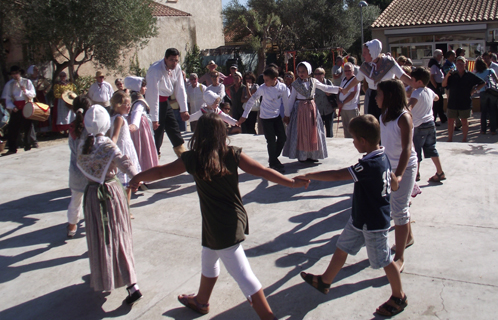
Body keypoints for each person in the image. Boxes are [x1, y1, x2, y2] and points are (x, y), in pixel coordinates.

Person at [128, 112, 309, 319]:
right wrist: (292, 183)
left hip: (221, 226)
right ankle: (201, 301)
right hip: (228, 219)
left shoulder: (192, 158)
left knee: (244, 277)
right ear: (221, 134)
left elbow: (161, 172)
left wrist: (138, 177)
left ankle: (268, 317)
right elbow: (262, 171)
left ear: (198, 135)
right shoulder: (232, 154)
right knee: (209, 256)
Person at [297, 114, 407, 317]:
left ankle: (399, 296)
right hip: (359, 219)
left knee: (384, 260)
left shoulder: (367, 166)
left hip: (374, 223)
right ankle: (325, 281)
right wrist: (393, 185)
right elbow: (392, 181)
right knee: (342, 248)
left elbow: (339, 175)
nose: (354, 142)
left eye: (354, 139)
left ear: (363, 141)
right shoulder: (382, 156)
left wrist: (310, 175)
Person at [77, 104, 142, 305]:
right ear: (106, 123)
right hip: (111, 193)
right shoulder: (107, 145)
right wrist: (138, 178)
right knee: (119, 234)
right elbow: (125, 164)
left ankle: (103, 276)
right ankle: (132, 284)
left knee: (100, 237)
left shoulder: (82, 145)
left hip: (91, 196)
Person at [377, 79, 418, 272]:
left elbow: (406, 149)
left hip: (405, 168)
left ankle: (400, 257)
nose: (376, 98)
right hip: (388, 167)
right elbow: (382, 142)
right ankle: (408, 237)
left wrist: (399, 175)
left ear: (390, 96)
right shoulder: (383, 114)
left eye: (379, 94)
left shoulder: (404, 117)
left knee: (399, 210)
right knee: (397, 208)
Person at [341, 39, 415, 120]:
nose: (362, 55)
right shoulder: (365, 66)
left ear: (373, 52)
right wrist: (346, 89)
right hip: (373, 98)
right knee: (373, 123)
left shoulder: (389, 62)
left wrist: (415, 85)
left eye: (365, 53)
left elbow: (403, 76)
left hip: (388, 97)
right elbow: (356, 80)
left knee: (389, 121)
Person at [283, 62, 339, 163]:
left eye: (303, 71)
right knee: (302, 132)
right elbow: (291, 100)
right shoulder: (295, 85)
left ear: (308, 71)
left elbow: (325, 87)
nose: (301, 73)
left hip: (311, 109)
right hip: (300, 110)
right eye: (299, 71)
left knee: (313, 131)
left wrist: (338, 89)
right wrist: (287, 114)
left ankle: (313, 155)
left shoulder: (313, 82)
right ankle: (303, 155)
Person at [237, 67, 289, 173]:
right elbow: (251, 100)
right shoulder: (262, 88)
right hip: (265, 118)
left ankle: (273, 157)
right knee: (271, 141)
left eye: (267, 80)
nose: (264, 82)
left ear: (275, 79)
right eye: (264, 80)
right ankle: (274, 163)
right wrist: (244, 115)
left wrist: (287, 115)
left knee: (282, 138)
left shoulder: (283, 87)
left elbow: (287, 102)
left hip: (277, 116)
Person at [145, 48, 189, 158]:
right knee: (157, 133)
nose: (174, 63)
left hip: (166, 102)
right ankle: (154, 158)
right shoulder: (155, 70)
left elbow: (180, 88)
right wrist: (154, 118)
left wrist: (184, 109)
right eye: (171, 60)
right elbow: (152, 94)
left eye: (176, 60)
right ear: (165, 59)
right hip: (155, 104)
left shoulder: (177, 68)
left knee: (174, 128)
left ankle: (183, 155)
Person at [408, 68, 446, 182]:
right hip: (430, 124)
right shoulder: (429, 91)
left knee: (416, 150)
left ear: (419, 82)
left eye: (412, 80)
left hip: (419, 126)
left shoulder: (416, 93)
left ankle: (416, 174)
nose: (411, 82)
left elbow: (410, 105)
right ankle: (440, 172)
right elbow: (437, 98)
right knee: (431, 148)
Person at [442, 56, 485, 142]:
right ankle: (450, 139)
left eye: (462, 63)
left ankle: (464, 139)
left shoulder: (469, 75)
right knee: (450, 121)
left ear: (465, 64)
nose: (460, 65)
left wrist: (474, 90)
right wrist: (447, 76)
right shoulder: (452, 75)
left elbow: (482, 82)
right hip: (452, 101)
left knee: (464, 121)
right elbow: (443, 85)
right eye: (458, 63)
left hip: (465, 102)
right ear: (456, 64)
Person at [66, 95, 92, 237]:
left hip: (75, 169)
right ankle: (92, 224)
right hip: (89, 170)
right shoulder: (90, 126)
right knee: (91, 200)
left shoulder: (72, 125)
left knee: (75, 199)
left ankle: (71, 227)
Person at [110, 91, 141, 202]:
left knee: (126, 183)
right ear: (118, 105)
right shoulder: (119, 119)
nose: (129, 107)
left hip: (126, 147)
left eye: (129, 105)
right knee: (127, 183)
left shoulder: (115, 117)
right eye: (126, 104)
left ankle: (126, 206)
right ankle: (126, 208)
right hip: (123, 150)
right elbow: (114, 137)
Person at [124, 76, 159, 173]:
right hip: (140, 130)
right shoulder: (139, 102)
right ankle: (144, 172)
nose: (146, 88)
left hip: (137, 127)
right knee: (142, 150)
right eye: (144, 86)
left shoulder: (132, 99)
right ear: (138, 87)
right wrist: (134, 125)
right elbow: (137, 113)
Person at [1, 66, 36, 156]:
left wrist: (25, 91)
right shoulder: (9, 84)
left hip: (26, 106)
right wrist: (12, 107)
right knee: (13, 128)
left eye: (16, 73)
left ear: (19, 73)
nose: (14, 75)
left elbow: (33, 94)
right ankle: (12, 148)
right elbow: (7, 98)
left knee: (28, 127)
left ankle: (28, 145)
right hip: (16, 108)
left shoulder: (27, 82)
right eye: (13, 74)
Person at [473, 58, 498, 135]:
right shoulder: (490, 71)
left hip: (483, 92)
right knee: (492, 111)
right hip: (492, 92)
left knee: (483, 112)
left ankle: (483, 130)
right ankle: (493, 130)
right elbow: (496, 81)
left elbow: (475, 85)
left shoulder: (477, 74)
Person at [338, 63, 360, 138]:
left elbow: (353, 94)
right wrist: (338, 101)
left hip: (351, 108)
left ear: (353, 71)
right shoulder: (343, 79)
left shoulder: (355, 80)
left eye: (349, 70)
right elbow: (339, 90)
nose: (347, 72)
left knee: (354, 130)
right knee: (346, 129)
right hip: (343, 108)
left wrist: (343, 102)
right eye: (346, 70)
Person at [313, 67, 335, 137]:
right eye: (316, 74)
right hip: (318, 111)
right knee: (319, 131)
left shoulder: (328, 83)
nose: (317, 75)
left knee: (329, 130)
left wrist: (330, 93)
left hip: (329, 110)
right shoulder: (313, 85)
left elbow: (335, 92)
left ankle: (330, 145)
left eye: (320, 73)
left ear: (324, 74)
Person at [428, 50, 447, 125]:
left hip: (439, 85)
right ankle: (434, 119)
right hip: (435, 86)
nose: (442, 56)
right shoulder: (433, 65)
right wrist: (435, 86)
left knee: (440, 102)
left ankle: (442, 117)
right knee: (436, 103)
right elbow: (431, 77)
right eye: (441, 55)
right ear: (438, 56)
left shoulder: (438, 64)